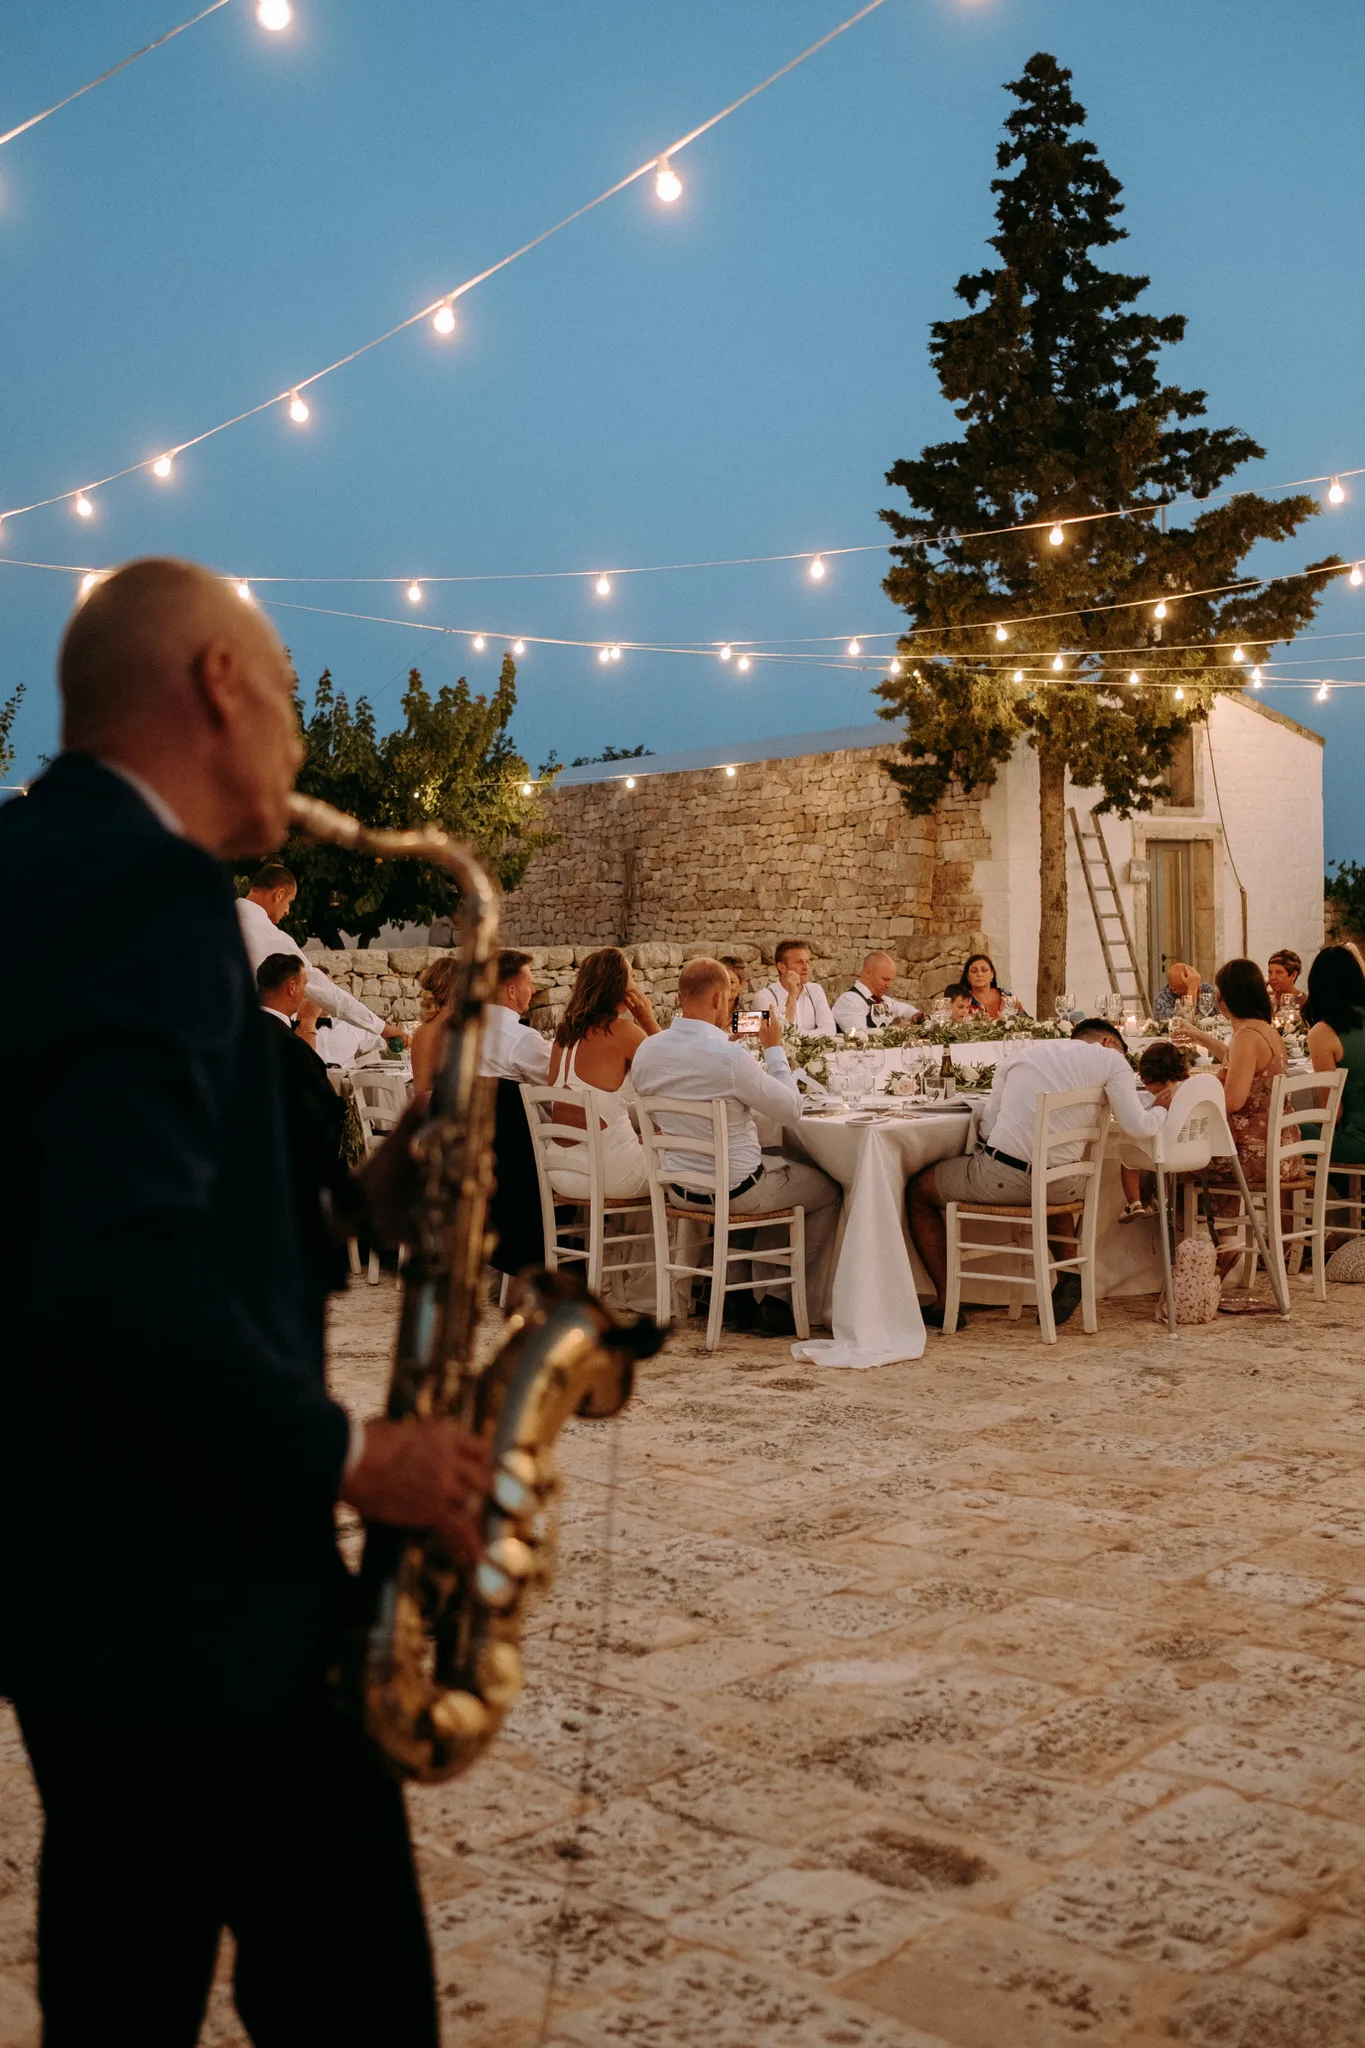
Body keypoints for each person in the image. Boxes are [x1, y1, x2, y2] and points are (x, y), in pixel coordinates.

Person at [0, 557, 490, 2046]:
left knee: (119, 1970)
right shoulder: (152, 894)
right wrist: (356, 1457)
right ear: (218, 683)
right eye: (284, 691)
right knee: (355, 2001)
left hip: (72, 1575)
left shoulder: (34, 871)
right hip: (203, 1585)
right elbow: (118, 1274)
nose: (299, 747)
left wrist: (354, 1199)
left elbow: (95, 1198)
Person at [906, 1018, 1178, 1328]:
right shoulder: (1111, 1061)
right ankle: (1067, 1274)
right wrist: (1160, 1108)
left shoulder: (1021, 1056)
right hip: (1065, 1184)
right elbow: (1138, 1125)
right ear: (1108, 1043)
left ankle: (945, 1302)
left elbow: (989, 1126)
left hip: (1005, 1177)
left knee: (919, 1190)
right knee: (1049, 1179)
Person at [631, 956, 842, 1333]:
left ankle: (733, 1290)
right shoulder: (731, 1057)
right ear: (719, 1000)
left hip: (679, 1188)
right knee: (827, 1189)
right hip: (733, 1189)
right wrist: (774, 1048)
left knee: (758, 1163)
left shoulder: (648, 1050)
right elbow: (791, 1109)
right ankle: (779, 1299)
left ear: (680, 997)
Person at [1171, 959, 1305, 1262]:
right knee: (1212, 1150)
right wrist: (1201, 1038)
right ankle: (1226, 1238)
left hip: (1254, 1155)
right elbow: (1240, 1061)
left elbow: (1232, 1101)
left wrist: (1197, 1091)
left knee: (1179, 1163)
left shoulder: (1246, 1036)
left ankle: (1211, 1250)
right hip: (1283, 1149)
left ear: (1225, 999)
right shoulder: (1266, 1031)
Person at [257, 951, 354, 1296]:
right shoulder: (290, 1047)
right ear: (293, 988)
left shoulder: (244, 1034)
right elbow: (326, 1108)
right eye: (307, 986)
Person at [236, 860, 398, 1043]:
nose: (288, 911)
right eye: (289, 902)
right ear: (279, 894)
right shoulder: (272, 938)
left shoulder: (214, 919)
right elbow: (324, 990)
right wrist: (381, 1027)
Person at [544, 946, 658, 1199]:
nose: (637, 981)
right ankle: (662, 1238)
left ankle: (627, 1237)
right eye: (632, 975)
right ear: (618, 985)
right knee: (689, 1160)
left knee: (649, 1139)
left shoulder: (563, 1035)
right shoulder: (623, 1031)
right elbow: (675, 1070)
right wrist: (648, 1020)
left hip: (562, 1172)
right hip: (610, 1177)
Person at [1304, 945, 1365, 1166]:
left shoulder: (1324, 1032)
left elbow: (1331, 1111)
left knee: (1284, 1132)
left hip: (1358, 1141)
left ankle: (1301, 1200)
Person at [1119, 1040, 1190, 1220]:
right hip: (1189, 1150)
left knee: (1128, 1159)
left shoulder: (1161, 1098)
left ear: (1143, 1077)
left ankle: (1134, 1203)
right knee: (1158, 1162)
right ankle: (1159, 1199)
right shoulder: (1187, 1089)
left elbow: (1147, 1124)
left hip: (1161, 1153)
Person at [481, 949, 552, 1087]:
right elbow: (554, 1089)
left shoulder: (461, 1031)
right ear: (512, 991)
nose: (533, 990)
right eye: (529, 984)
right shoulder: (522, 1039)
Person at [753, 939, 837, 1035]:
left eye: (807, 962)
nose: (806, 967)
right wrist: (792, 996)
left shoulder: (815, 990)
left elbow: (830, 1030)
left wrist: (798, 1035)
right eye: (799, 962)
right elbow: (778, 1036)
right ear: (782, 967)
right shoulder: (764, 997)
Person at [831, 950, 922, 1034]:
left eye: (891, 980)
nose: (889, 985)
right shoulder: (849, 1001)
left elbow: (904, 1009)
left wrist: (914, 1014)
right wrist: (896, 1030)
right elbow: (860, 1033)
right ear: (868, 973)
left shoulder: (883, 1000)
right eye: (885, 979)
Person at [961, 952, 1025, 1022]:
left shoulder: (1006, 996)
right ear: (967, 976)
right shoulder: (961, 1000)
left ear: (992, 974)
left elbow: (1026, 1021)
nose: (979, 974)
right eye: (974, 971)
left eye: (984, 970)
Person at [1267, 947, 1305, 1017]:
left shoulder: (1304, 1003)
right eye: (1270, 972)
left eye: (1279, 972)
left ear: (1293, 975)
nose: (1272, 977)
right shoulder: (1265, 999)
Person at [719, 954, 749, 1035]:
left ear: (741, 984)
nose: (726, 987)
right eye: (722, 981)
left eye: (731, 982)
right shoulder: (707, 1013)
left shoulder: (746, 1017)